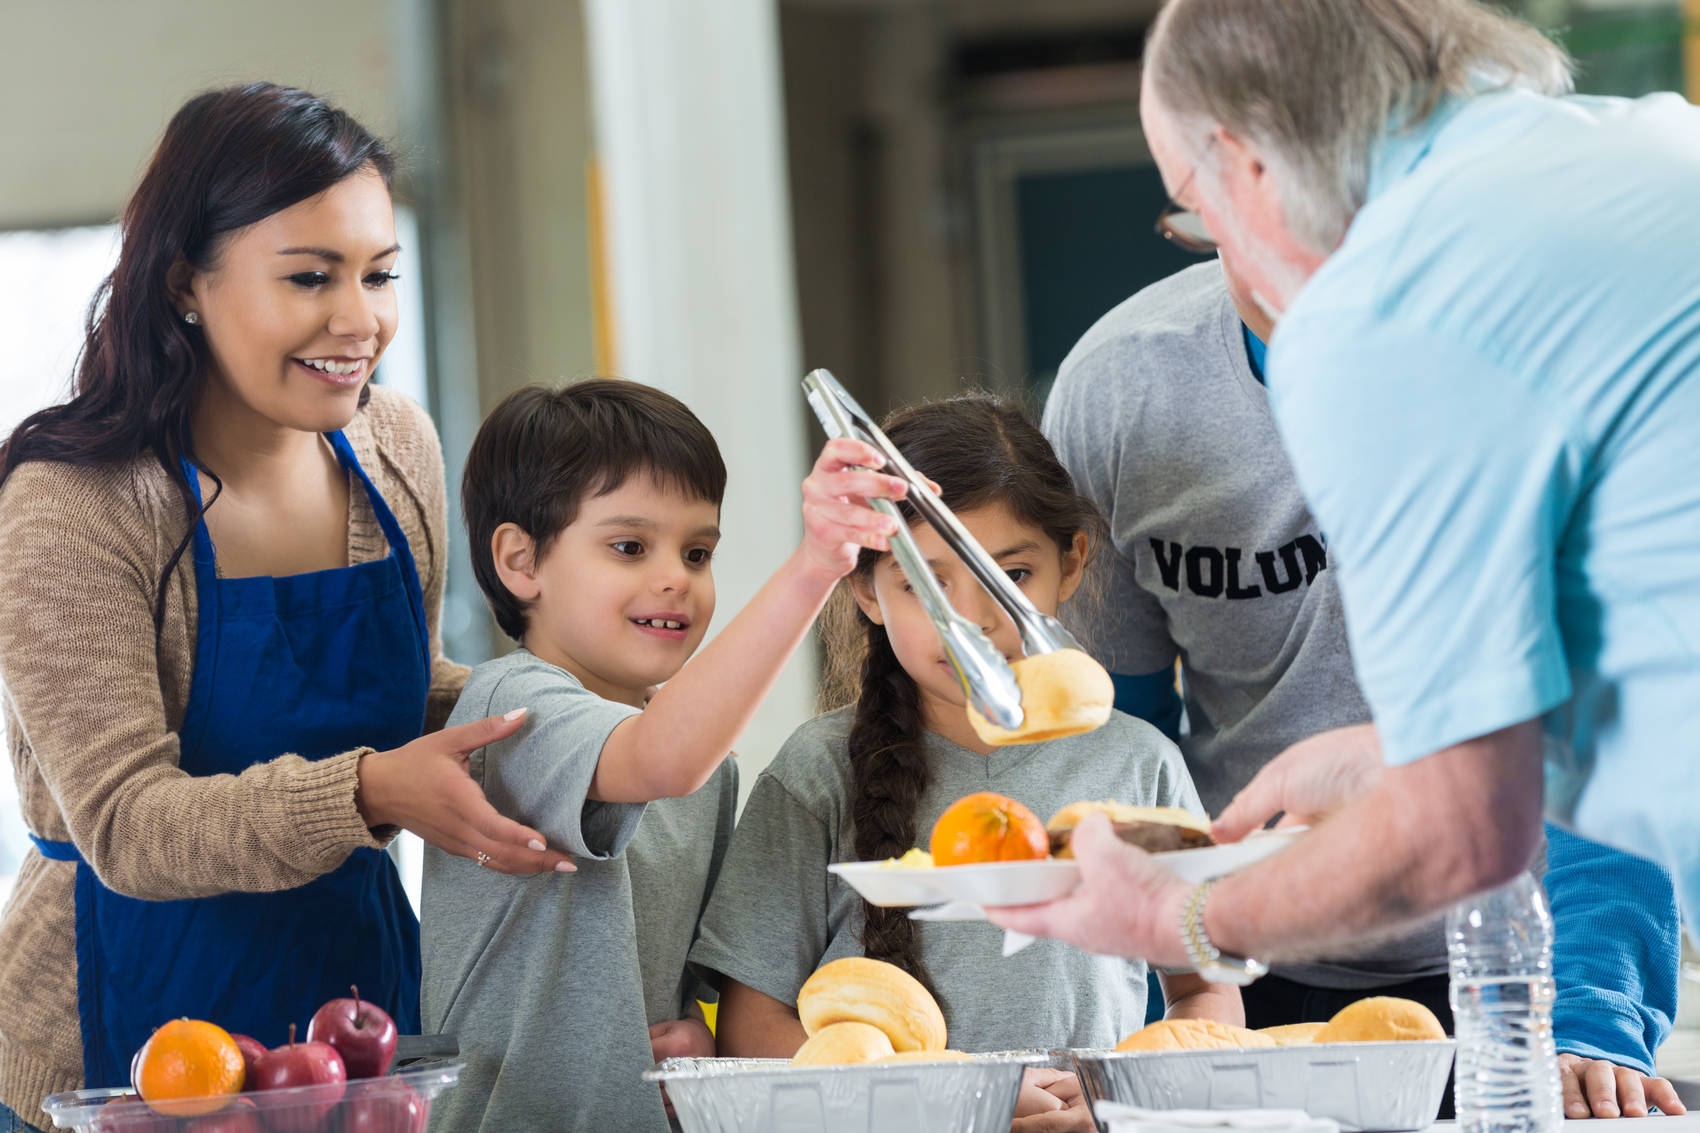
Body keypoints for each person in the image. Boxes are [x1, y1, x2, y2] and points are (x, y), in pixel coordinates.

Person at [990, 0, 1700, 1090]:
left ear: (1246, 166)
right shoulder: (1657, 155)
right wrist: (1386, 758)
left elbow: (1457, 829)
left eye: (1193, 206)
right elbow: (1615, 670)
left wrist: (1180, 913)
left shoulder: (1378, 318)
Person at [0, 84, 573, 1133]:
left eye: (379, 274)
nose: (358, 320)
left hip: (351, 1024)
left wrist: (577, 712)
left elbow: (403, 689)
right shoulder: (70, 500)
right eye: (310, 277)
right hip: (112, 1047)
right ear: (185, 283)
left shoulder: (393, 445)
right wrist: (370, 791)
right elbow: (127, 822)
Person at [1042, 256, 1685, 1119]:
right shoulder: (1123, 388)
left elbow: (1614, 731)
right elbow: (1126, 756)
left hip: (1513, 964)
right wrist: (1174, 1002)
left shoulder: (1564, 369)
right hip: (1245, 967)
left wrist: (1594, 1014)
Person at [692, 396, 1242, 1133]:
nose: (974, 619)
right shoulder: (817, 770)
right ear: (866, 590)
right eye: (926, 584)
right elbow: (750, 1027)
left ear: (1070, 564)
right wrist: (936, 1102)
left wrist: (1123, 1088)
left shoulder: (1140, 766)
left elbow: (1206, 994)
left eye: (1010, 572)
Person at [420, 380, 910, 1133]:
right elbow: (659, 758)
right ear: (522, 562)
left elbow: (688, 965)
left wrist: (697, 1027)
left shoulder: (708, 768)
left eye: (698, 550)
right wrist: (815, 565)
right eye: (629, 547)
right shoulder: (510, 706)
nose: (677, 577)